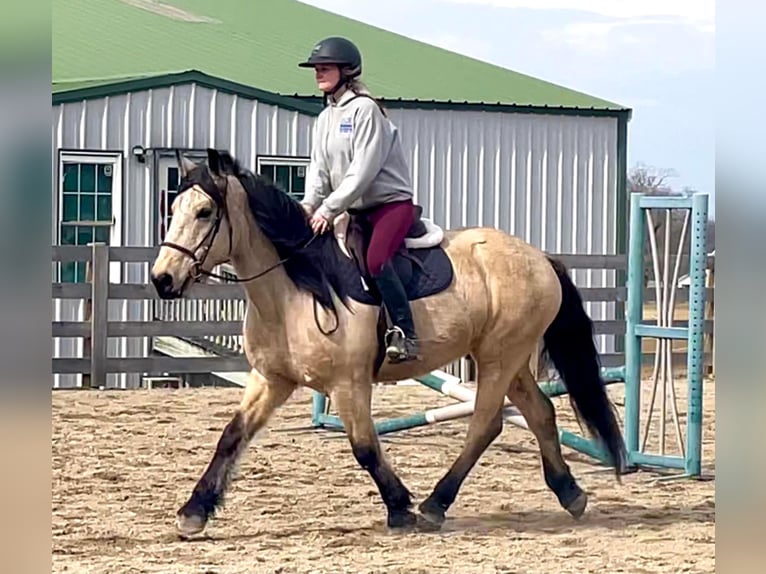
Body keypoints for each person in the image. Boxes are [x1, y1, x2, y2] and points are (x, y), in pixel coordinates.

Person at [297, 36, 420, 364]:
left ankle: (406, 334)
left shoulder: (366, 110)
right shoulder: (325, 118)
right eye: (316, 68)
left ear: (346, 70)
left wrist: (328, 208)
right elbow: (318, 168)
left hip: (389, 205)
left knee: (377, 259)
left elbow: (362, 171)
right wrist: (310, 203)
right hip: (353, 209)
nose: (318, 73)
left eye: (325, 67)